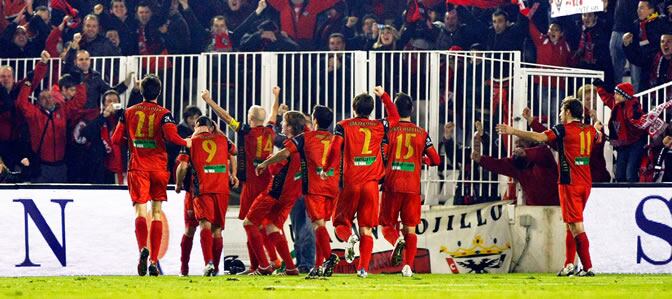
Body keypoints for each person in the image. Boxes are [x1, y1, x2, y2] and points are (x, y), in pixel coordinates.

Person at [496, 97, 601, 277]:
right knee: (571, 225)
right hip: (585, 183)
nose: (559, 114)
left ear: (568, 112)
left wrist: (513, 131)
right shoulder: (590, 130)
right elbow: (598, 137)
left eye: (561, 110)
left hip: (570, 184)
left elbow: (541, 137)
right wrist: (598, 125)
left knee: (577, 226)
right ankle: (569, 264)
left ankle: (588, 267)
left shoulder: (563, 129)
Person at [111, 74, 191, 276]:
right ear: (160, 91)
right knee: (156, 212)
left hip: (138, 167)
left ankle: (142, 250)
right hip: (158, 168)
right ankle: (154, 260)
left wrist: (132, 141)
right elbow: (172, 137)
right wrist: (186, 142)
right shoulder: (164, 113)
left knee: (140, 211)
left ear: (141, 91)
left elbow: (115, 139)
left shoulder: (128, 112)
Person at [321, 86, 399, 278]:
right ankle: (363, 269)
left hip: (351, 182)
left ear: (354, 108)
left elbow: (334, 149)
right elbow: (395, 118)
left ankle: (350, 238)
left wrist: (325, 168)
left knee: (340, 222)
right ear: (371, 110)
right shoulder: (380, 126)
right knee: (367, 228)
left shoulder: (343, 125)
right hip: (371, 185)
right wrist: (384, 97)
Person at [201, 88, 281, 274]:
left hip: (253, 184)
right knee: (254, 225)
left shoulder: (246, 131)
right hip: (267, 180)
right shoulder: (270, 130)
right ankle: (257, 266)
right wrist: (276, 96)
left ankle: (263, 265)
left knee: (250, 224)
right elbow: (274, 113)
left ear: (250, 118)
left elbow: (226, 117)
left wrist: (209, 101)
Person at [256, 105, 341, 278]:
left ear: (315, 120)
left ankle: (327, 258)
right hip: (332, 186)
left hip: (313, 187)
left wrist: (265, 163)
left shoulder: (305, 138)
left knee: (315, 226)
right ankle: (317, 266)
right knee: (319, 227)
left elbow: (284, 153)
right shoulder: (334, 138)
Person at [379, 92, 440, 278]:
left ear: (395, 110)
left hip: (392, 184)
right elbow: (436, 160)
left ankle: (396, 241)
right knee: (411, 229)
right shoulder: (422, 133)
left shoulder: (390, 130)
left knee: (387, 226)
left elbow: (383, 155)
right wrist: (421, 159)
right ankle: (408, 267)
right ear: (411, 109)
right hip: (413, 187)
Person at [244, 111, 307, 276]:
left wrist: (266, 162)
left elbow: (280, 161)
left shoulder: (291, 147)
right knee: (272, 227)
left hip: (274, 193)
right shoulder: (306, 142)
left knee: (249, 224)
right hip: (290, 196)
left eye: (284, 123)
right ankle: (291, 268)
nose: (281, 125)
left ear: (291, 127)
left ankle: (263, 266)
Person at [176, 116, 238, 276]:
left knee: (192, 228)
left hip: (197, 190)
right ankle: (215, 269)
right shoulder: (223, 139)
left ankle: (187, 269)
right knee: (217, 230)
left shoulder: (189, 141)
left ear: (196, 126)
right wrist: (234, 174)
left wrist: (177, 184)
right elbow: (235, 152)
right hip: (221, 189)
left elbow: (182, 167)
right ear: (211, 127)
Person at [16, 52, 87, 183]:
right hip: (42, 166)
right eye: (43, 97)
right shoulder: (34, 114)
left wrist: (80, 82)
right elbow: (21, 103)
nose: (47, 98)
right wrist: (27, 83)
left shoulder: (63, 111)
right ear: (38, 102)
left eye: (49, 96)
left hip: (60, 165)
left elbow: (80, 101)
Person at [471, 119, 560, 206]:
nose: (517, 146)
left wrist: (525, 152)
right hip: (533, 210)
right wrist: (480, 159)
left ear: (531, 144)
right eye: (516, 145)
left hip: (555, 208)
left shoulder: (544, 154)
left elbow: (542, 153)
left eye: (521, 144)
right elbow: (499, 164)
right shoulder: (516, 163)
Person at [594, 80, 646, 182]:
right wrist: (600, 87)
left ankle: (632, 196)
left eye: (618, 94)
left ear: (625, 95)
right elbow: (606, 98)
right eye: (615, 93)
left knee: (630, 173)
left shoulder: (634, 105)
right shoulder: (616, 104)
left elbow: (636, 119)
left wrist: (631, 117)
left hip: (635, 143)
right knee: (619, 175)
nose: (615, 96)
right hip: (623, 143)